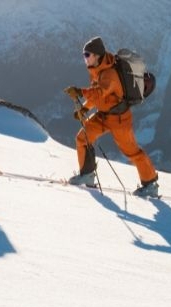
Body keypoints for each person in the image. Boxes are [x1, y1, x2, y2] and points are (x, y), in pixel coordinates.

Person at [64, 36, 160, 197]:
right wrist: (85, 109)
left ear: (97, 56)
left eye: (87, 55)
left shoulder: (109, 74)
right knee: (82, 138)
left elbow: (99, 92)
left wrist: (80, 92)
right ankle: (87, 174)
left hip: (119, 119)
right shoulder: (97, 70)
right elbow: (98, 96)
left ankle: (150, 184)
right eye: (84, 55)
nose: (85, 58)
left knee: (132, 152)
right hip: (103, 115)